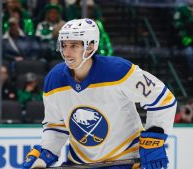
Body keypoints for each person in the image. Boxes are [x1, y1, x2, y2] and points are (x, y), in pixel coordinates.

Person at [22, 18, 177, 169]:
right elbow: (56, 126)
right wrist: (44, 155)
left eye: (74, 46)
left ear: (90, 46)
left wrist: (153, 140)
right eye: (64, 45)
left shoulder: (118, 71)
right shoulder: (54, 79)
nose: (67, 52)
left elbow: (163, 99)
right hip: (80, 164)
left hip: (127, 161)